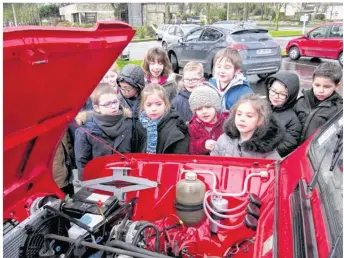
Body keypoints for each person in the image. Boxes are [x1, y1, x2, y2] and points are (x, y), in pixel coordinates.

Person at [74, 83, 132, 178]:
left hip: (127, 177)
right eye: (107, 104)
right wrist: (90, 187)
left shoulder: (128, 122)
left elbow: (135, 153)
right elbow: (82, 162)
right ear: (97, 108)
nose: (113, 106)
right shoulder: (85, 130)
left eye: (115, 102)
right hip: (99, 181)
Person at [211, 94, 283, 159]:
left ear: (260, 121)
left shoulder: (267, 150)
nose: (242, 119)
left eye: (249, 116)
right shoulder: (223, 139)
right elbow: (212, 164)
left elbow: (276, 171)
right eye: (239, 114)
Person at [131, 83, 189, 154]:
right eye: (149, 105)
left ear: (165, 104)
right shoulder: (137, 126)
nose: (154, 109)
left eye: (158, 104)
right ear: (143, 106)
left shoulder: (176, 126)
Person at [294, 62, 343, 143]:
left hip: (312, 153)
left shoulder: (339, 110)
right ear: (312, 82)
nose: (321, 91)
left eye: (327, 86)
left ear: (337, 86)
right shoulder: (301, 101)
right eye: (317, 85)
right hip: (295, 151)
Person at [265, 71, 301, 157]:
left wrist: (265, 153)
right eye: (273, 91)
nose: (276, 96)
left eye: (282, 94)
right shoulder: (262, 107)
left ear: (290, 96)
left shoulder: (292, 120)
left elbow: (288, 144)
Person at [188, 86, 229, 155]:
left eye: (208, 107)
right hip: (205, 163)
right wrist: (203, 145)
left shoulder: (226, 122)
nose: (204, 111)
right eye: (199, 109)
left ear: (216, 107)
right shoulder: (193, 126)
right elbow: (191, 149)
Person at [53, 131, 75, 196]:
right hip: (56, 180)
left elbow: (69, 146)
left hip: (67, 175)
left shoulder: (62, 127)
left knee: (70, 202)